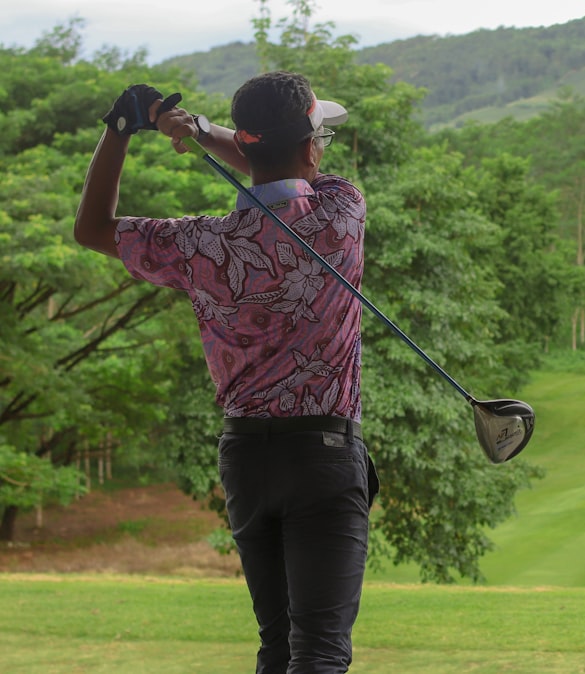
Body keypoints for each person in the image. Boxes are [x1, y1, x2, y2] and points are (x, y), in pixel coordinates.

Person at [75, 71, 379, 673]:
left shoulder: (200, 244)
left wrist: (121, 132)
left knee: (279, 645)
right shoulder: (341, 212)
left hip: (246, 458)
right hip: (322, 456)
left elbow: (91, 229)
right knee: (318, 652)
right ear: (313, 145)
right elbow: (281, 165)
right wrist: (205, 132)